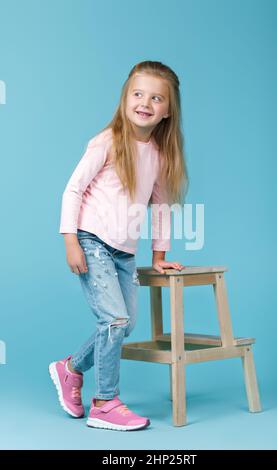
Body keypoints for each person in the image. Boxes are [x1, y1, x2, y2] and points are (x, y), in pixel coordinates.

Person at [49, 60, 189, 431]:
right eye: (138, 94)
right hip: (92, 239)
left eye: (156, 98)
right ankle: (105, 403)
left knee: (124, 326)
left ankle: (71, 368)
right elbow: (73, 189)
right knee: (114, 320)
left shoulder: (159, 154)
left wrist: (159, 256)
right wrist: (70, 241)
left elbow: (160, 206)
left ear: (168, 110)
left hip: (125, 252)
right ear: (125, 98)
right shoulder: (108, 141)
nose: (145, 102)